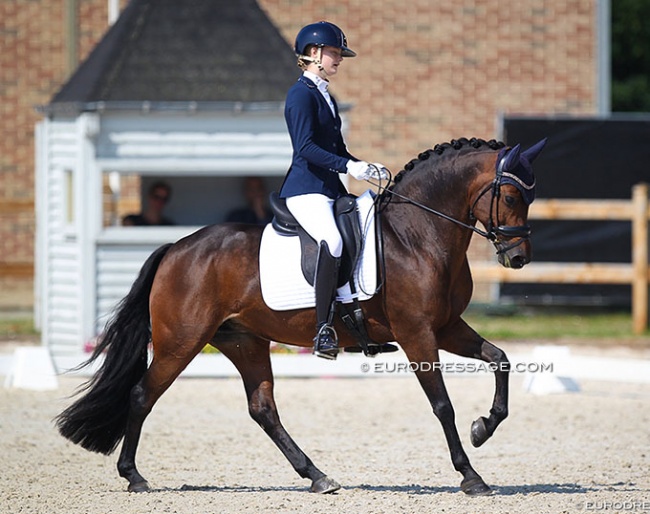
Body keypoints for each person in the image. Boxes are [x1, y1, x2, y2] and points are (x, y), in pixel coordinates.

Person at [280, 21, 388, 360]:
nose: (339, 59)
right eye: (334, 53)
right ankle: (323, 329)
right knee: (334, 240)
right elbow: (306, 148)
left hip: (330, 189)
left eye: (340, 54)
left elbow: (338, 151)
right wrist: (348, 168)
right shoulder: (300, 94)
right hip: (306, 189)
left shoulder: (326, 95)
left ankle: (356, 321)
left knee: (367, 229)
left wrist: (363, 165)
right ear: (314, 53)